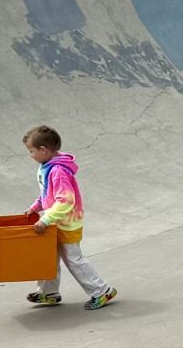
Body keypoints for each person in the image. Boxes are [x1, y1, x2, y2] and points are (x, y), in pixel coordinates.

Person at [22, 124, 118, 310]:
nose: (30, 155)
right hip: (54, 222)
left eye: (32, 151)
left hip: (66, 224)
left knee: (74, 260)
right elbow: (47, 194)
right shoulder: (47, 166)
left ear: (43, 150)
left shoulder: (58, 171)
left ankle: (101, 291)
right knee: (47, 257)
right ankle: (49, 293)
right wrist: (36, 207)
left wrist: (45, 219)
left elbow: (66, 201)